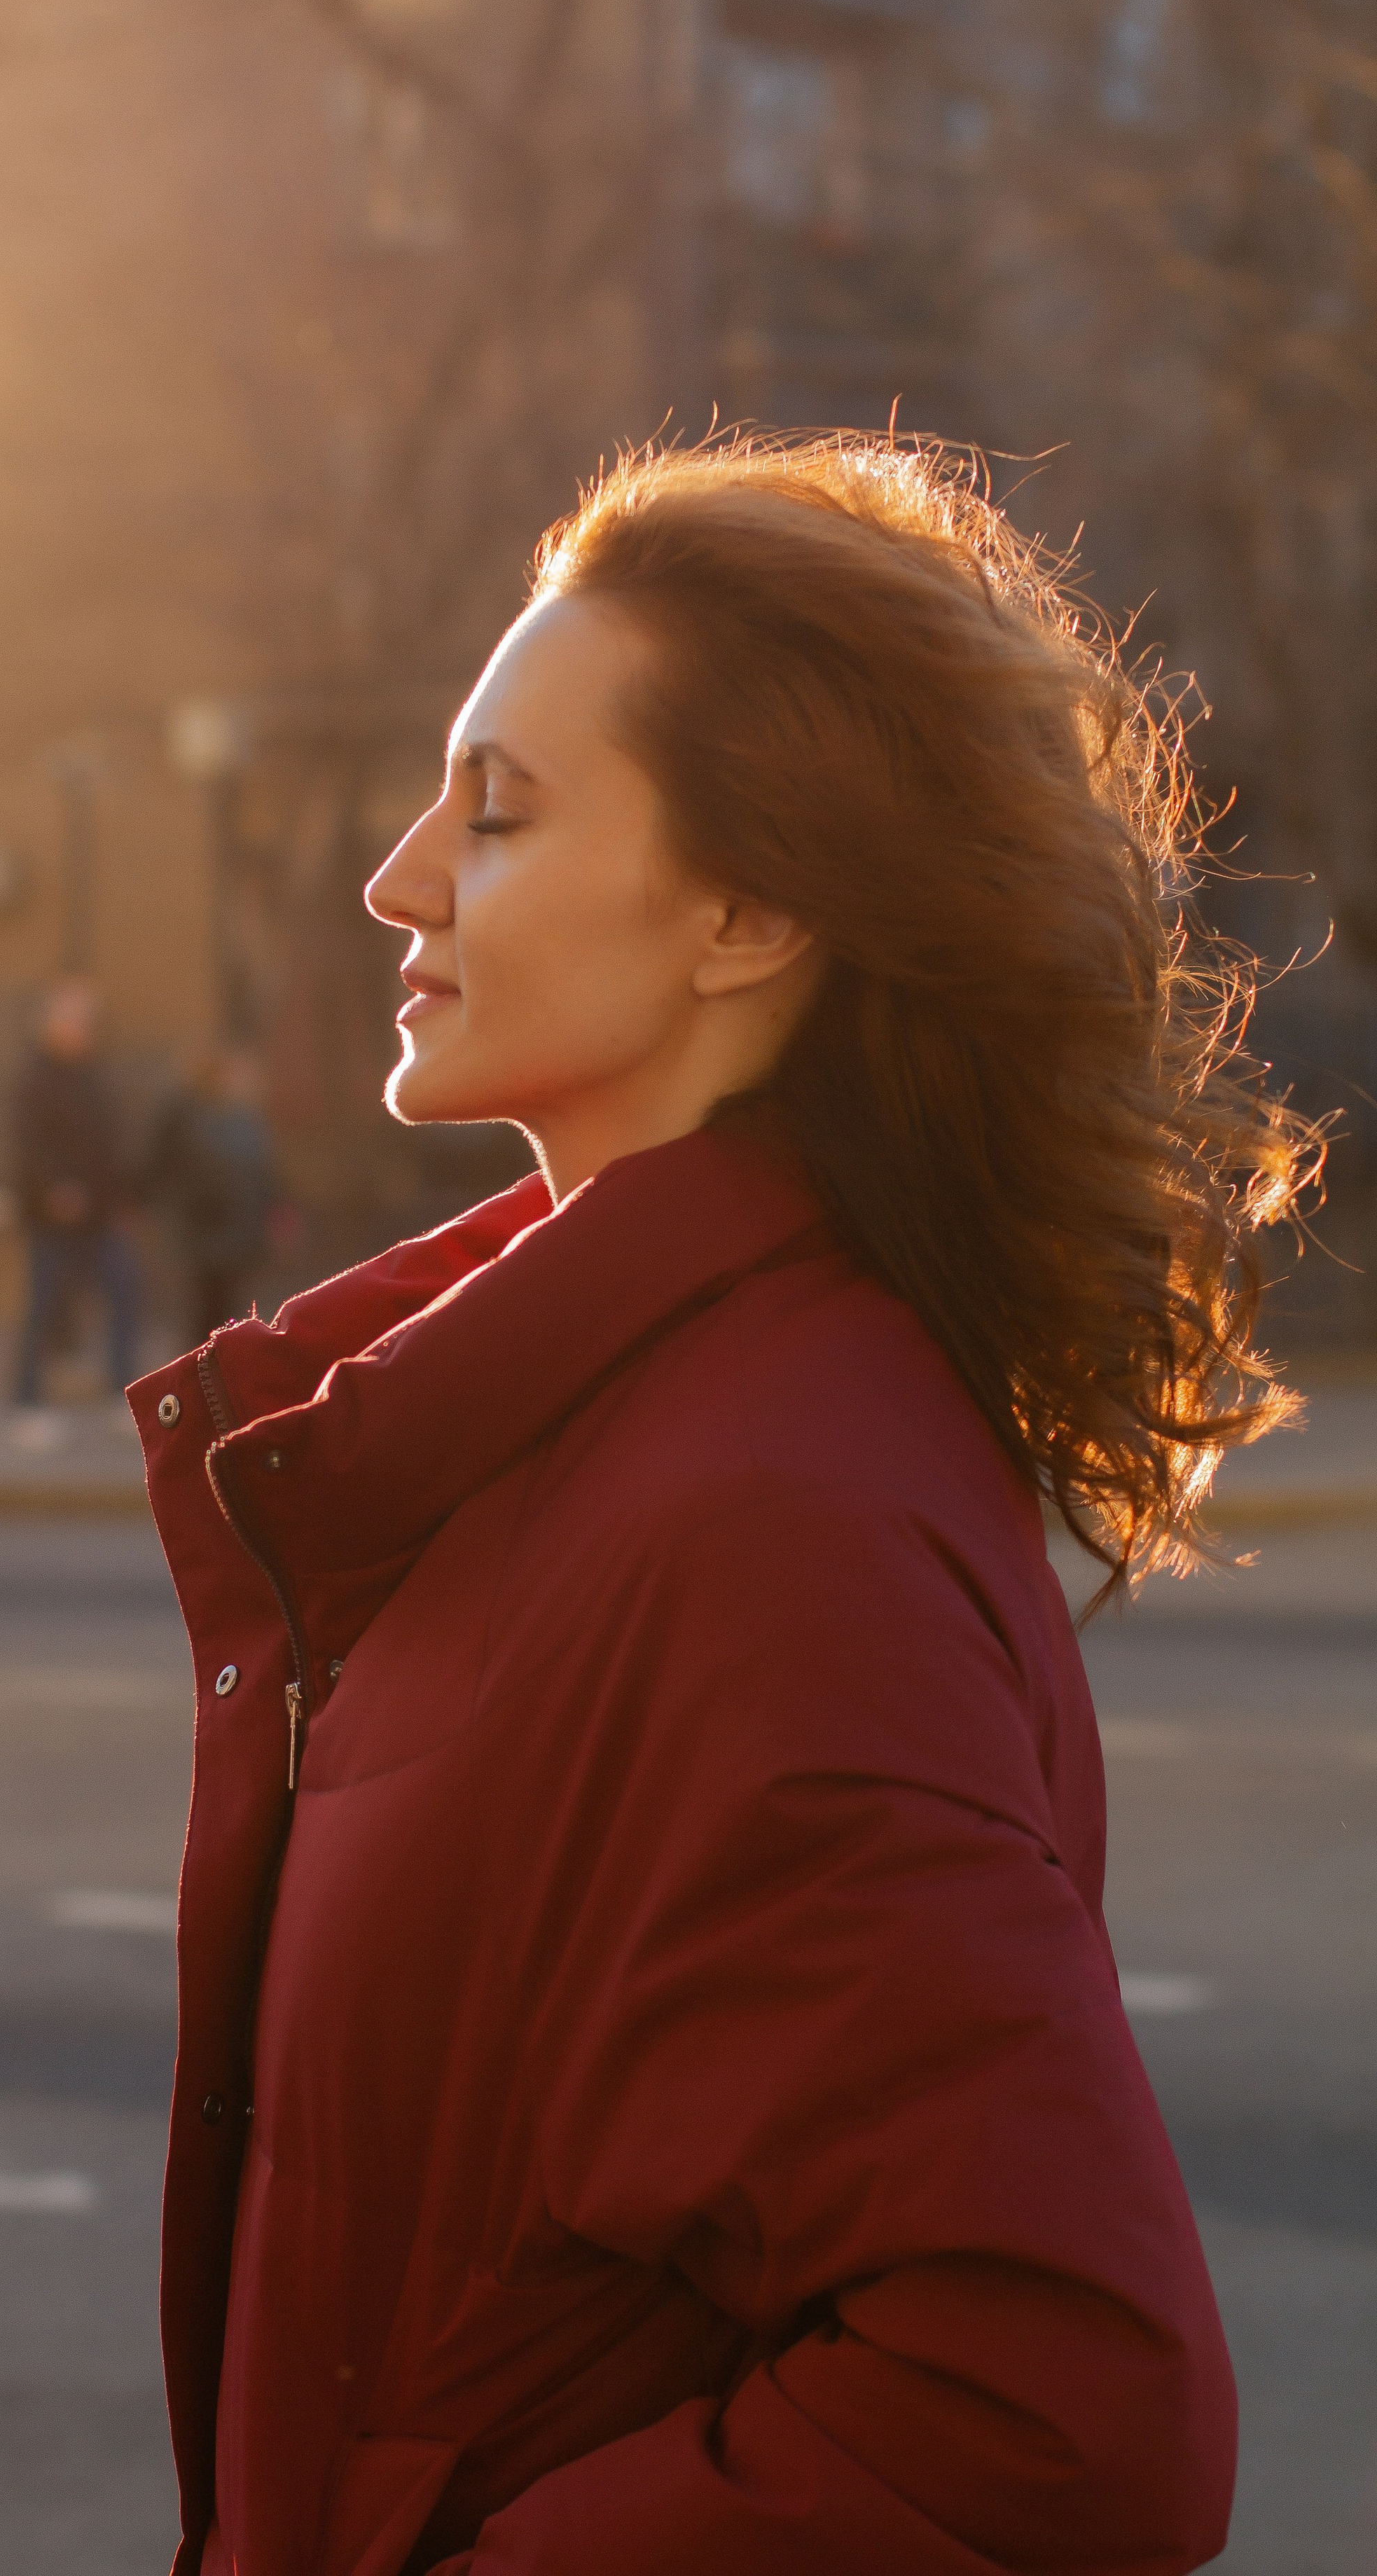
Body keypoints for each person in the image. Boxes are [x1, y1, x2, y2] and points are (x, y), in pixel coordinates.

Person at [127, 439, 1318, 2576]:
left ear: (752, 913)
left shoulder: (769, 1528)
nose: (399, 878)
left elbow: (1051, 2408)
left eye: (498, 812)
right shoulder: (576, 1423)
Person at [9, 975, 140, 1443]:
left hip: (100, 1216)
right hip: (53, 1218)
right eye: (71, 1018)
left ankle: (120, 1394)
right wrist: (52, 1190)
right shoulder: (35, 1080)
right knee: (44, 1308)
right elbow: (29, 1149)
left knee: (126, 1294)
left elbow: (109, 1144)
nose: (81, 1028)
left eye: (86, 1019)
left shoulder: (97, 1078)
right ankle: (27, 1404)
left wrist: (121, 1196)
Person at [142, 1046, 281, 1341]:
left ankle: (217, 1361)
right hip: (208, 1233)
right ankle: (204, 1362)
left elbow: (263, 1175)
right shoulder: (193, 1119)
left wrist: (274, 1210)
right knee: (207, 1311)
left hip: (238, 1233)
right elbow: (172, 1170)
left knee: (227, 1309)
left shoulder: (245, 1121)